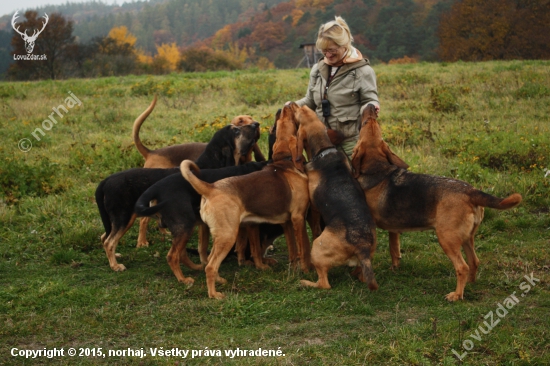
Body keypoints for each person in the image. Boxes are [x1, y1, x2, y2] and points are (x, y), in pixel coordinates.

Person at [289, 16, 380, 158]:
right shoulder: (317, 70)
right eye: (324, 50)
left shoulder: (363, 71)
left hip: (349, 143)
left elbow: (369, 100)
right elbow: (310, 101)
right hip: (321, 142)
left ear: (344, 45)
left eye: (332, 49)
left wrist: (371, 106)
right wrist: (291, 106)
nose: (328, 54)